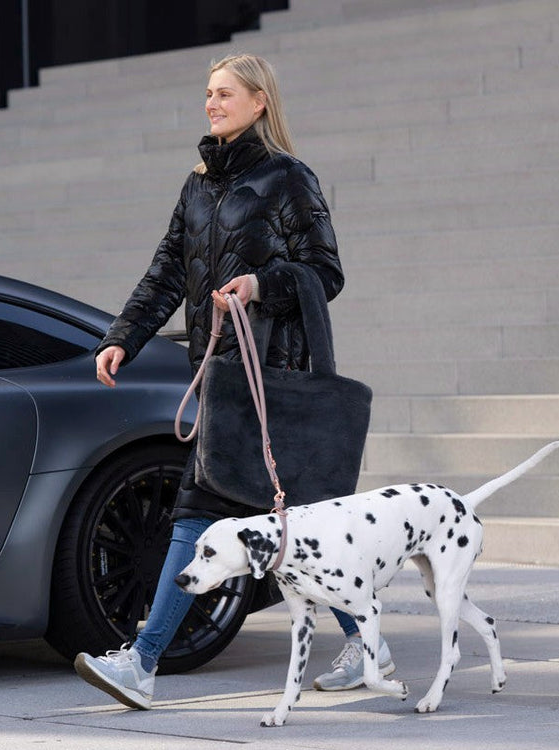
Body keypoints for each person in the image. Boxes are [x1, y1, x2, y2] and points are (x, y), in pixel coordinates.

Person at [75, 53, 393, 710]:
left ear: (258, 101)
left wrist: (260, 284)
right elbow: (167, 272)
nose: (212, 104)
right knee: (277, 520)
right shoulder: (197, 186)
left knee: (214, 511)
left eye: (224, 93)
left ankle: (142, 662)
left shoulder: (288, 178)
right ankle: (368, 644)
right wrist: (122, 338)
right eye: (208, 93)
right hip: (220, 379)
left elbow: (325, 272)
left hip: (274, 376)